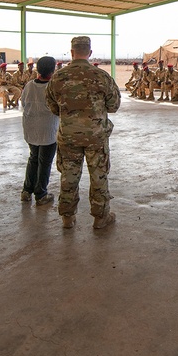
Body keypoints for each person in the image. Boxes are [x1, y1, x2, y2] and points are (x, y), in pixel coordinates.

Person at [45, 37, 121, 230]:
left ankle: (67, 218)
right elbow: (114, 106)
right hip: (95, 136)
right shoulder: (101, 76)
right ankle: (100, 217)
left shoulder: (58, 77)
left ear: (71, 52)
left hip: (69, 135)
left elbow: (52, 106)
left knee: (69, 176)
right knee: (98, 176)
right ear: (90, 52)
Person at [20, 56, 60, 206]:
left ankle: (26, 190)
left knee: (33, 158)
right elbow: (58, 108)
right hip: (48, 130)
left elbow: (23, 103)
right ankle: (41, 193)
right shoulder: (53, 87)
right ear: (52, 70)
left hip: (31, 129)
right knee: (45, 162)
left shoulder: (29, 85)